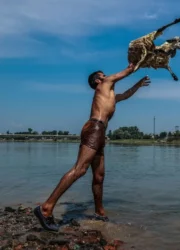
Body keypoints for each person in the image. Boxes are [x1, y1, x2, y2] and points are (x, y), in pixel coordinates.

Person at [34, 63, 151, 231]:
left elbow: (125, 95)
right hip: (95, 129)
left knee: (99, 176)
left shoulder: (109, 94)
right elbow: (126, 71)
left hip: (100, 132)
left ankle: (99, 212)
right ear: (98, 80)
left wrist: (138, 85)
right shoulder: (104, 84)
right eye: (103, 75)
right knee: (80, 169)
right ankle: (46, 208)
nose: (107, 76)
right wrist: (139, 61)